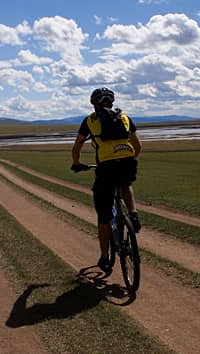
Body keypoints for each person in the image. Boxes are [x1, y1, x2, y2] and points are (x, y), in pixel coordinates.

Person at [71, 87, 142, 274]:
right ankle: (133, 214)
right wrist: (131, 158)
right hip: (127, 161)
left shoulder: (90, 120)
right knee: (126, 184)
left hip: (106, 167)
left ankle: (104, 257)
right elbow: (138, 145)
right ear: (112, 101)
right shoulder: (124, 117)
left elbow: (77, 145)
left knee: (104, 216)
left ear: (94, 103)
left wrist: (77, 163)